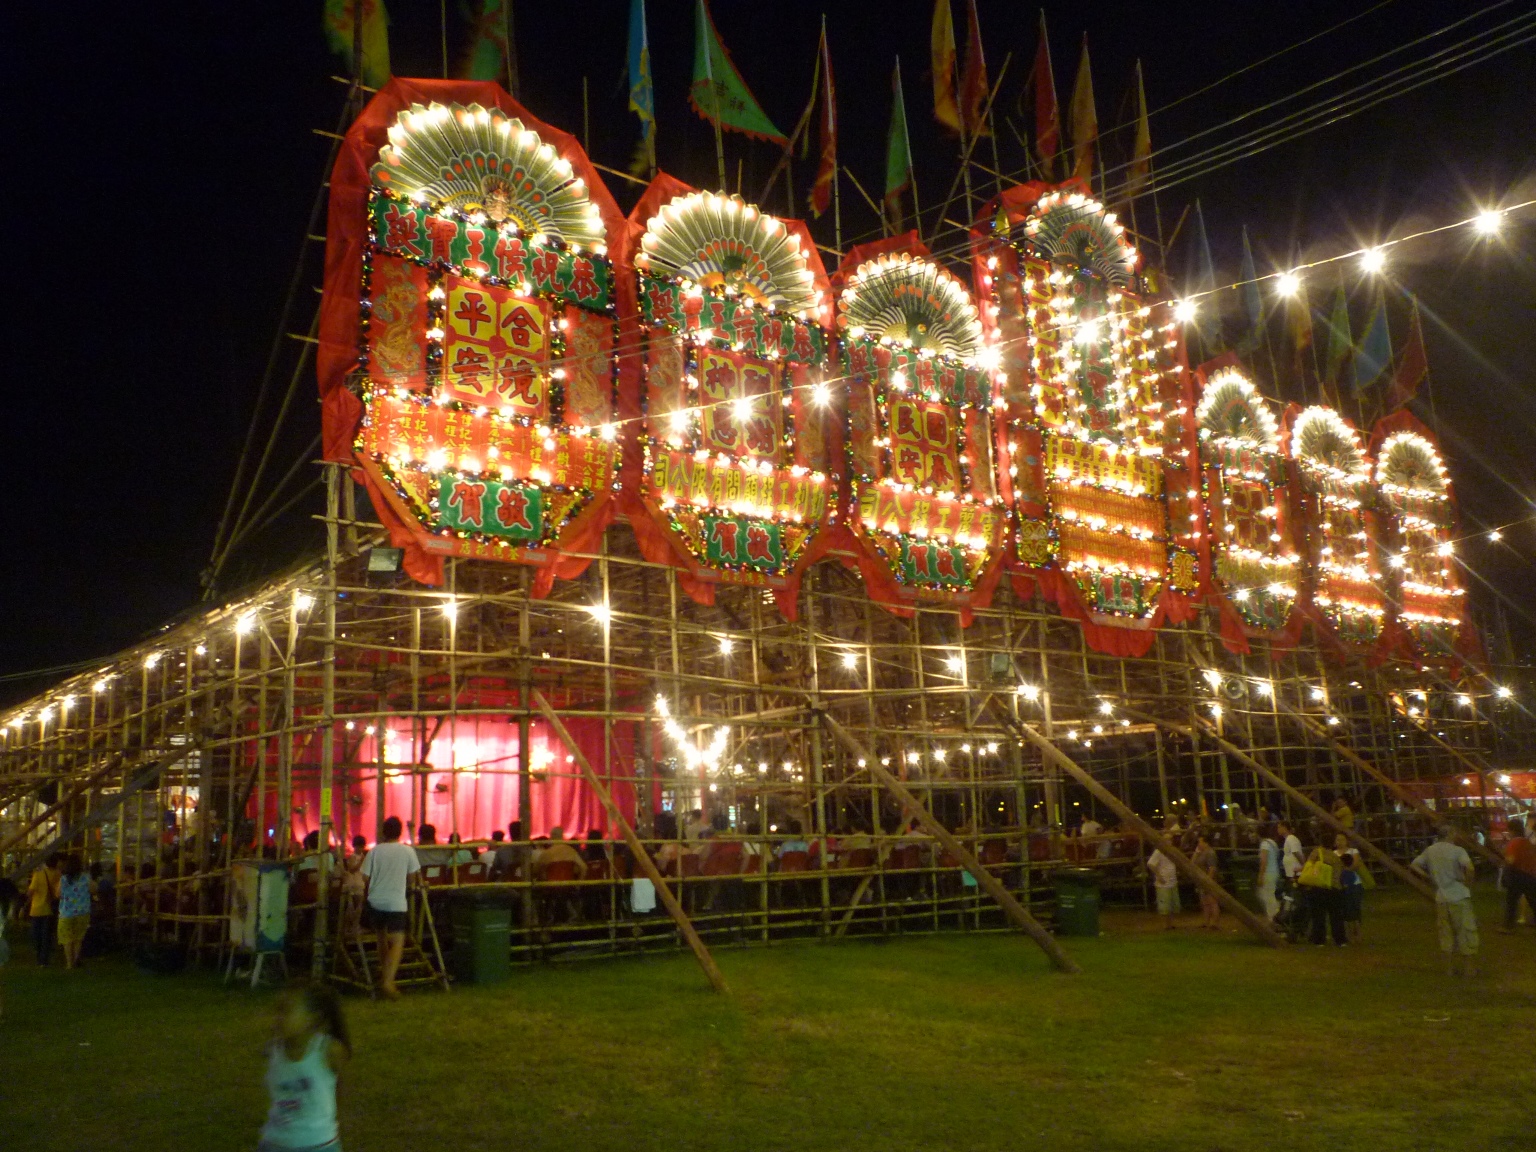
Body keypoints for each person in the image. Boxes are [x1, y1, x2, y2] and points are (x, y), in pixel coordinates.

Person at [257, 983, 350, 1152]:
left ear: (312, 1018)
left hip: (319, 1144)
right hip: (276, 1143)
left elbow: (337, 1087)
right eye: (277, 1011)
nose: (278, 1018)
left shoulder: (327, 1050)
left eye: (286, 1011)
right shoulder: (273, 1050)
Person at [360, 816, 421, 1000]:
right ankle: (388, 981)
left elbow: (365, 877)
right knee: (397, 941)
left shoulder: (374, 852)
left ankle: (384, 974)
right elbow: (412, 878)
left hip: (375, 900)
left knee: (381, 938)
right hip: (396, 901)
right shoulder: (408, 851)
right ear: (400, 832)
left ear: (383, 832)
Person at [1411, 825, 1478, 976]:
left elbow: (1415, 865)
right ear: (1450, 834)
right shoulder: (1458, 850)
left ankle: (1449, 968)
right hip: (1458, 894)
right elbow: (1470, 868)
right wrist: (1468, 882)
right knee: (1465, 930)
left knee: (1445, 932)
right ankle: (1469, 968)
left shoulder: (1430, 850)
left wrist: (1428, 877)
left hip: (1441, 896)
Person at [1300, 840, 1346, 947]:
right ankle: (1340, 940)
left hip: (1318, 887)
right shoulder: (1335, 857)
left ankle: (1319, 939)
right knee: (1336, 915)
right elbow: (1339, 872)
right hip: (1333, 888)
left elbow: (1309, 865)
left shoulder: (1316, 852)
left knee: (1318, 915)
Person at [1500, 816, 1536, 933]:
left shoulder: (1514, 842)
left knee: (1511, 901)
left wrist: (1504, 860)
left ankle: (1508, 927)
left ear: (1512, 830)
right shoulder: (1527, 842)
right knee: (1533, 900)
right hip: (1530, 875)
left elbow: (1511, 860)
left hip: (1517, 875)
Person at [55, 855, 92, 969]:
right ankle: (76, 959)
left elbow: (58, 894)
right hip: (83, 911)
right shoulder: (85, 877)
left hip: (66, 912)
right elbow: (94, 889)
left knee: (67, 939)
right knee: (78, 938)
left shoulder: (64, 879)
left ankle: (69, 963)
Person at [27, 853, 62, 967]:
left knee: (36, 935)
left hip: (36, 909)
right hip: (50, 908)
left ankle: (39, 957)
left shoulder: (39, 874)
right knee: (46, 935)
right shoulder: (59, 874)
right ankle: (44, 959)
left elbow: (31, 891)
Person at [1190, 832, 1220, 930]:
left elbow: (1212, 868)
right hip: (1201, 880)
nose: (1199, 844)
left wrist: (1208, 881)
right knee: (1205, 902)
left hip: (1209, 880)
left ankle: (1214, 923)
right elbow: (1192, 863)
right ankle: (1206, 922)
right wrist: (1196, 852)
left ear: (1206, 843)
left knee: (1212, 902)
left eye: (1200, 842)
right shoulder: (1201, 853)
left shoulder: (1210, 853)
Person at [1146, 844, 1180, 929]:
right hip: (1163, 883)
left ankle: (1171, 923)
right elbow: (1150, 864)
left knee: (1172, 904)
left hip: (1173, 881)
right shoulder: (1158, 851)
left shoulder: (1172, 851)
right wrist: (1159, 875)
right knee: (1164, 905)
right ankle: (1166, 924)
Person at [339, 835, 367, 939]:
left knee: (359, 906)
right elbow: (351, 869)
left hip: (360, 882)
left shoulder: (364, 857)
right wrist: (361, 862)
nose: (359, 849)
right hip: (353, 882)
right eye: (358, 846)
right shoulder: (352, 857)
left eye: (361, 846)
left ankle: (356, 925)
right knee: (351, 906)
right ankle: (347, 927)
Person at [1255, 825, 1281, 922]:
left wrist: (1260, 875)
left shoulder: (1264, 844)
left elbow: (1264, 861)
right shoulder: (1273, 843)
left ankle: (1273, 916)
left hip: (1268, 873)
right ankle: (1275, 914)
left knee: (1266, 895)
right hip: (1275, 871)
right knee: (1269, 894)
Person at [1339, 848, 1365, 944]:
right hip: (1356, 896)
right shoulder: (1353, 873)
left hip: (1349, 896)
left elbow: (1345, 886)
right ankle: (1359, 936)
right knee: (1356, 917)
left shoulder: (1345, 874)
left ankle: (1351, 937)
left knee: (1349, 918)